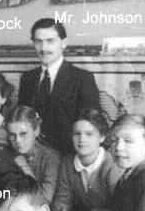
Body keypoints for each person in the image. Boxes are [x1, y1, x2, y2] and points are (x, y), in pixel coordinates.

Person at [16, 18, 100, 156]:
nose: (43, 48)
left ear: (64, 43)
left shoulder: (83, 79)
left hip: (68, 159)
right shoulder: (27, 78)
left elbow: (91, 128)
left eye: (50, 41)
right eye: (38, 42)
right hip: (32, 158)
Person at [50, 109, 122, 211]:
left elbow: (121, 210)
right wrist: (60, 208)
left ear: (102, 137)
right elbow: (63, 196)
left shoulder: (112, 165)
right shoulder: (68, 162)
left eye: (89, 134)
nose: (82, 139)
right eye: (77, 134)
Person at [0, 106, 61, 205]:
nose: (18, 140)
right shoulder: (5, 154)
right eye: (12, 135)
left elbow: (44, 200)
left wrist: (23, 166)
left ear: (36, 131)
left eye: (23, 134)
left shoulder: (50, 157)